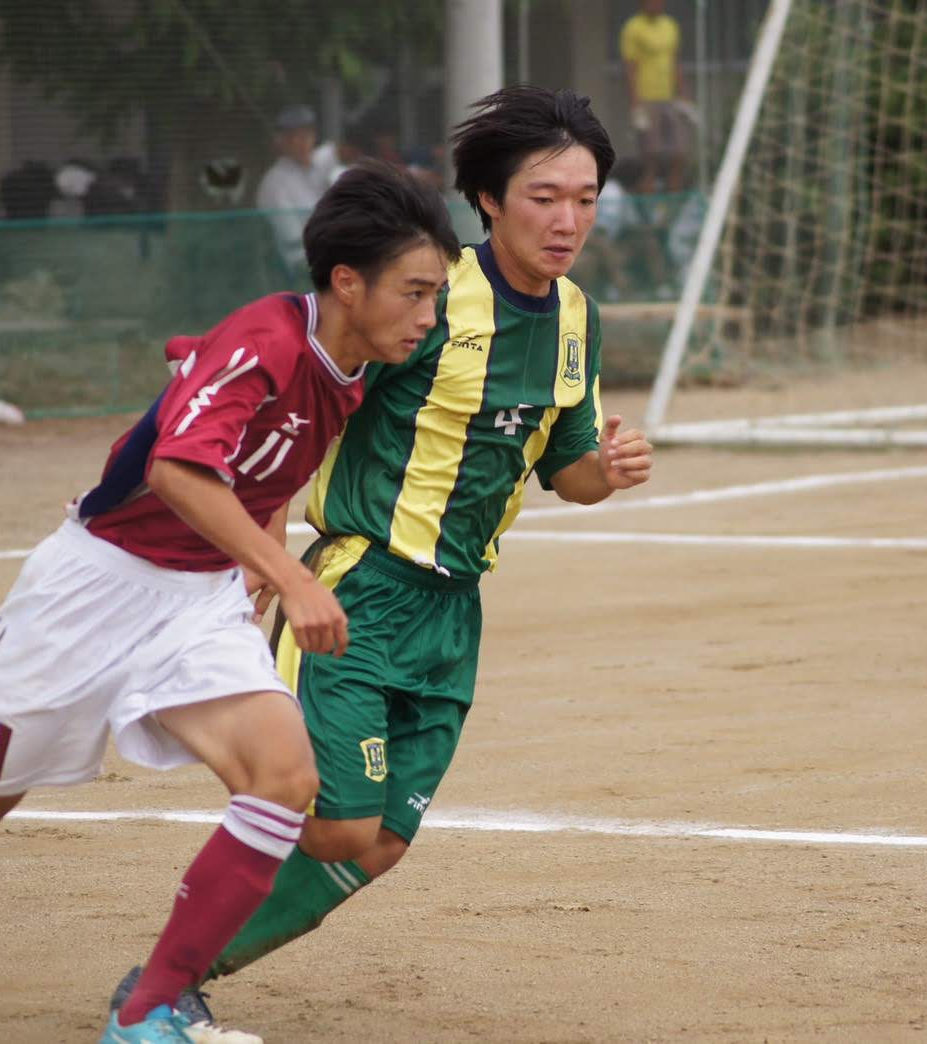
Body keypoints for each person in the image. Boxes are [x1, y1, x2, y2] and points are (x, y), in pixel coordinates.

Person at [0, 160, 461, 1044]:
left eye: (437, 296)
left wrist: (248, 567)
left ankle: (146, 1009)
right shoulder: (267, 339)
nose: (428, 316)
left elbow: (266, 470)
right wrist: (288, 574)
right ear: (347, 282)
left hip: (196, 601)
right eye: (415, 293)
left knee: (284, 777)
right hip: (92, 594)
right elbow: (176, 471)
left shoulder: (344, 366)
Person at [107, 84, 655, 1028]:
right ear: (489, 199)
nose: (568, 220)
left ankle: (169, 981)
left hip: (454, 615)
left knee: (379, 843)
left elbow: (567, 471)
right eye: (544, 197)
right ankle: (169, 946)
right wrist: (263, 547)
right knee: (335, 821)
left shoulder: (577, 319)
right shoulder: (426, 298)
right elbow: (305, 392)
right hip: (360, 590)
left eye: (585, 199)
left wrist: (607, 469)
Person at [256, 104, 350, 276]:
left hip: (335, 253)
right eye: (292, 136)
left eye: (305, 134)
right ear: (281, 141)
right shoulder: (274, 182)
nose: (299, 142)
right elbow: (293, 238)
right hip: (302, 265)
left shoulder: (319, 165)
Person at [619, 0, 691, 193]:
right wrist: (635, 102)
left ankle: (674, 193)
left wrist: (684, 93)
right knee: (652, 153)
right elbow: (630, 67)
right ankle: (648, 195)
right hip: (646, 97)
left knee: (680, 150)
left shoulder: (670, 25)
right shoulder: (633, 27)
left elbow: (676, 62)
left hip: (670, 97)